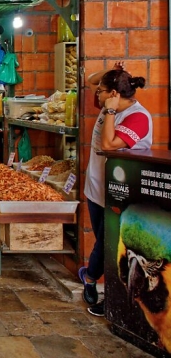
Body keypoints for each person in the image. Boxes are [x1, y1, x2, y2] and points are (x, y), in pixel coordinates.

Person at [79, 62, 152, 317]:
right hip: (97, 188)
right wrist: (112, 70)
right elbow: (90, 79)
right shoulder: (109, 105)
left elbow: (110, 145)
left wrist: (109, 111)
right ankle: (91, 279)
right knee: (104, 240)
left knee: (113, 245)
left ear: (113, 95)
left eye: (101, 91)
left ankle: (98, 286)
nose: (95, 95)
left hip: (123, 193)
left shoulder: (138, 117)